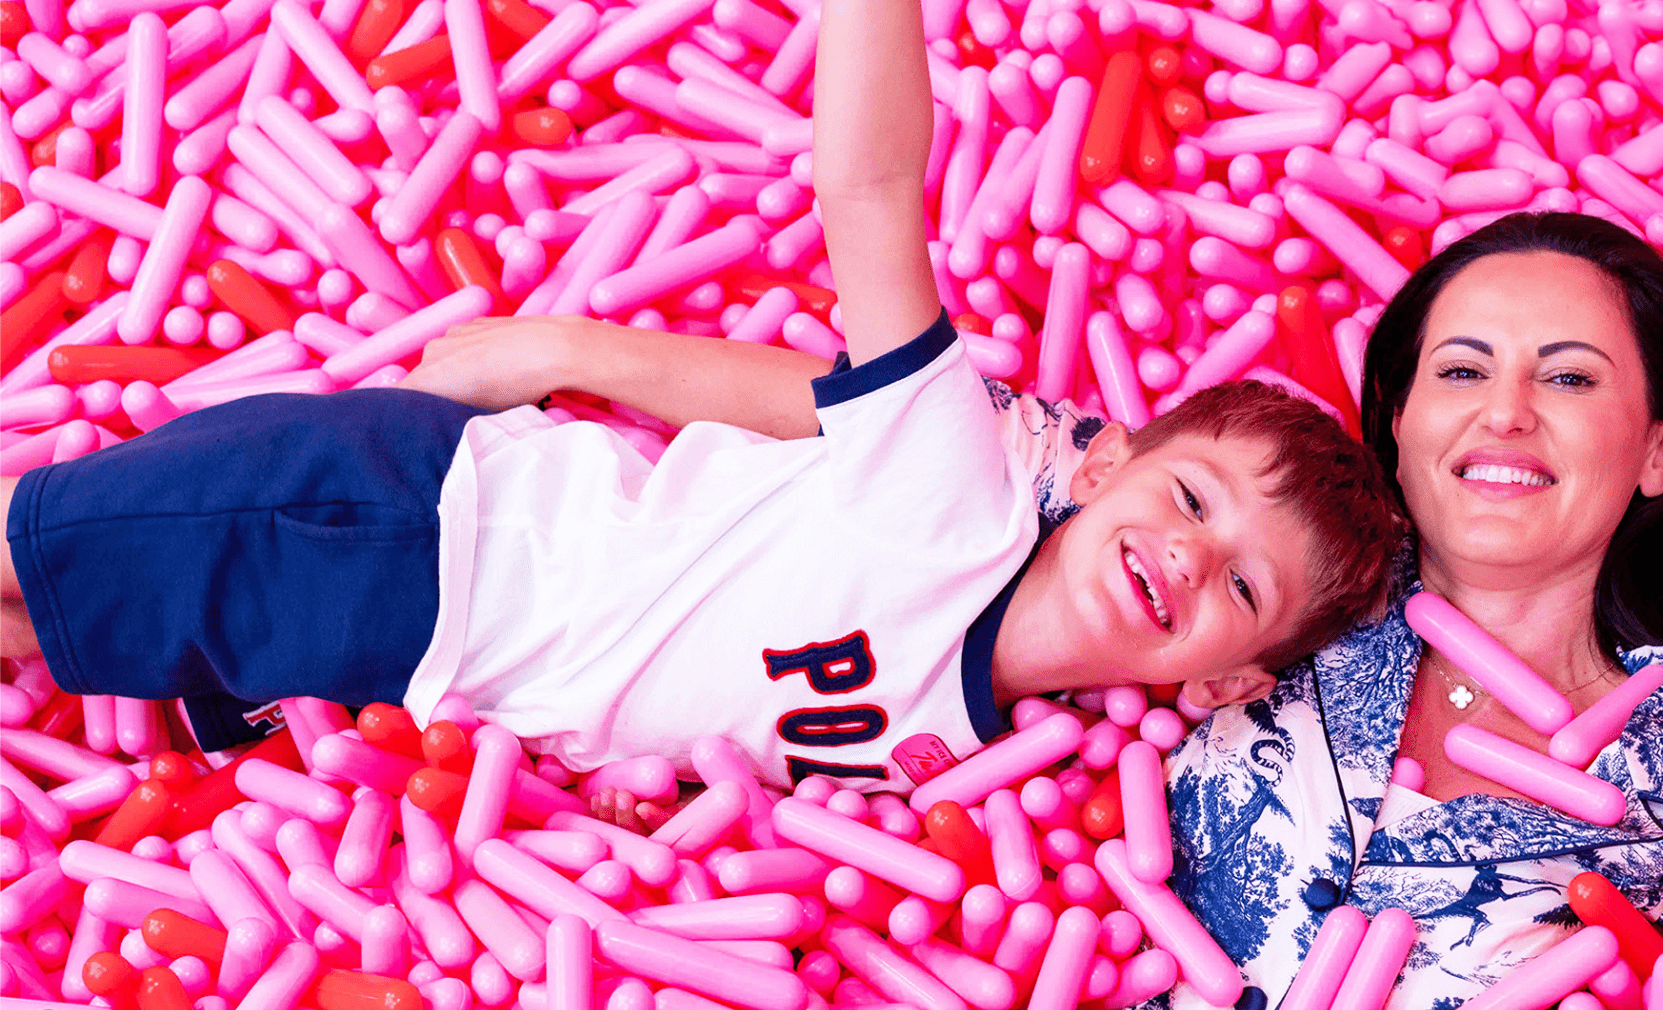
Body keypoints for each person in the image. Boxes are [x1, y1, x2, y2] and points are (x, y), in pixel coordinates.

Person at [0, 0, 1399, 801]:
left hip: (418, 669)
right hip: (418, 530)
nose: (1194, 555)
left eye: (1242, 587)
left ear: (1222, 679)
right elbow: (866, 196)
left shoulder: (960, 750)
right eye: (1193, 498)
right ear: (1102, 470)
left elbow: (733, 711)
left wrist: (640, 785)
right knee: (34, 553)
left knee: (41, 623)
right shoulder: (960, 491)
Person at [1107, 211, 1663, 1010]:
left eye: (1570, 377)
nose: (1506, 410)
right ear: (1396, 417)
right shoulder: (1256, 566)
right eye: (1464, 369)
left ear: (1658, 450)